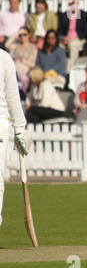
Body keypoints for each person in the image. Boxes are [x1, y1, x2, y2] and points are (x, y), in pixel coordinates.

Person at [0, 48, 31, 228]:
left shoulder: (4, 58)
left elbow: (12, 96)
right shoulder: (4, 57)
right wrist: (20, 128)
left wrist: (19, 127)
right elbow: (13, 97)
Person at [58, 0, 87, 73]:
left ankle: (70, 70)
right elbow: (60, 31)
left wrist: (74, 38)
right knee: (58, 47)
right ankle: (59, 68)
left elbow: (86, 31)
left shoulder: (84, 15)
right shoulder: (64, 15)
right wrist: (63, 38)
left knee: (72, 45)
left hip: (78, 38)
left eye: (75, 2)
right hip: (66, 39)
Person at [5, 27, 38, 93]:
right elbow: (7, 45)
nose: (22, 36)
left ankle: (24, 95)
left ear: (29, 35)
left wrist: (22, 60)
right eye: (20, 35)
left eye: (24, 34)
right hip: (14, 72)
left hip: (26, 73)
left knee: (23, 78)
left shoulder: (33, 47)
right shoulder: (16, 46)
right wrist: (17, 33)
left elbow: (33, 64)